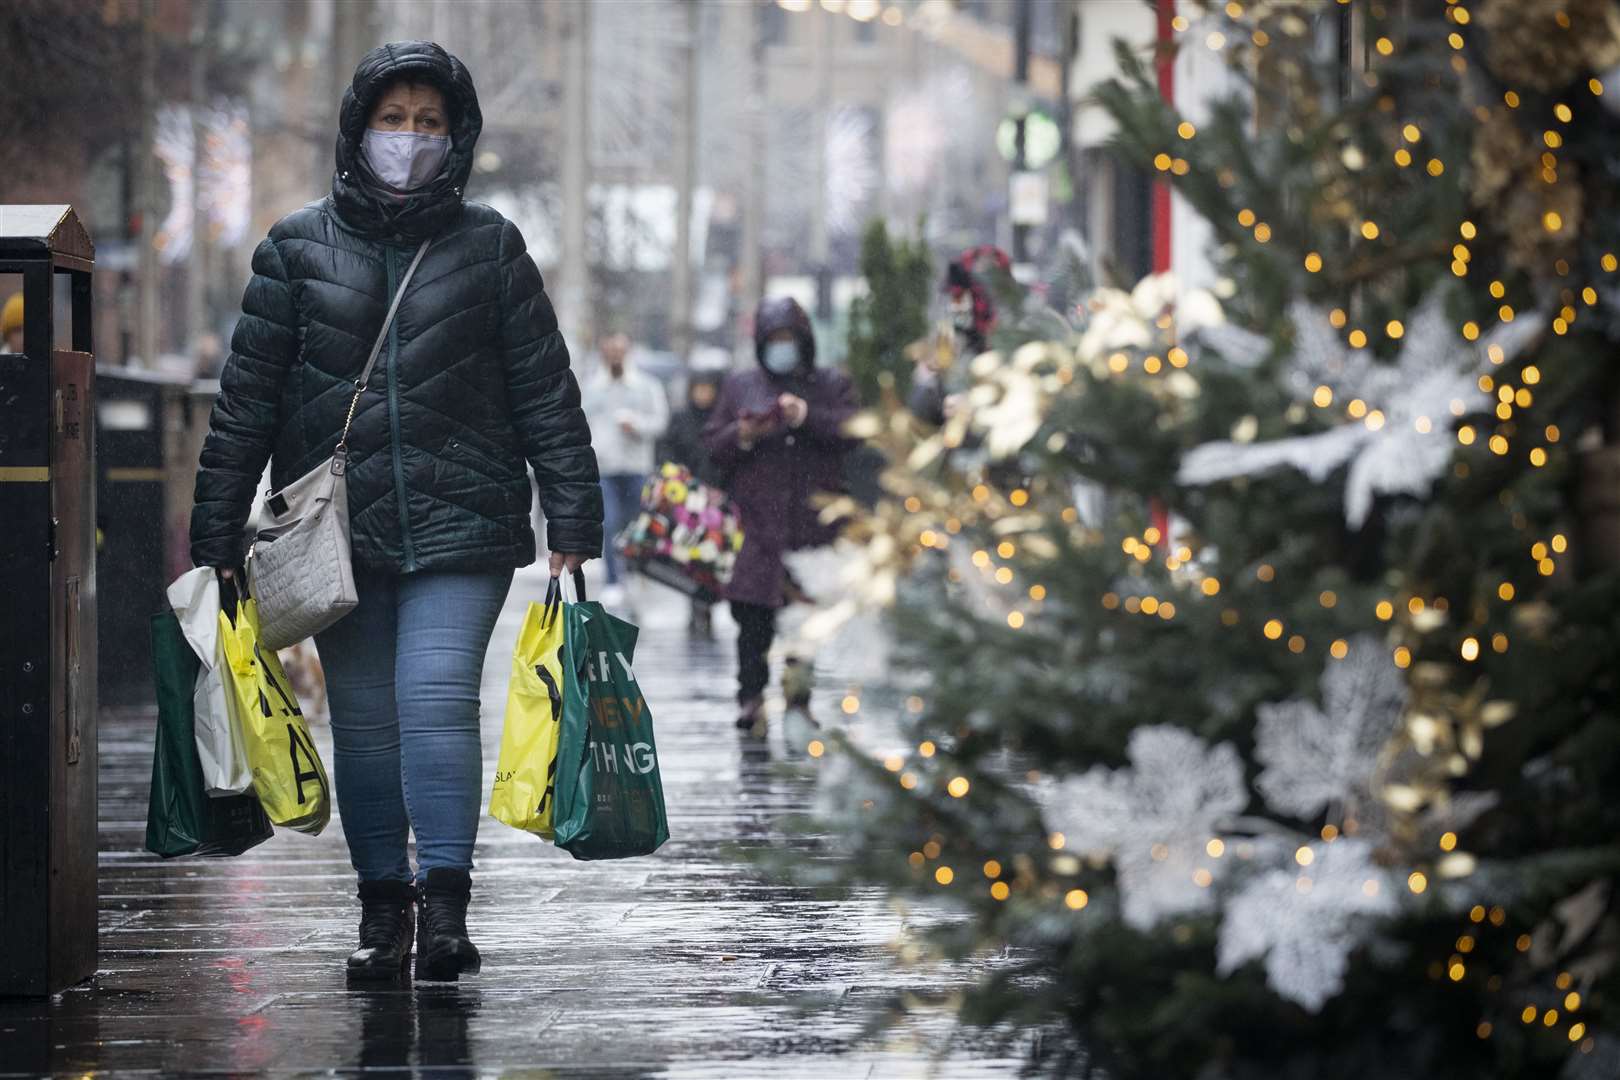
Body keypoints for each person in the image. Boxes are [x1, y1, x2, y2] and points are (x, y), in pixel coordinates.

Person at [188, 41, 602, 984]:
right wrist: (215, 533)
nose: (408, 140)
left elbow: (545, 392)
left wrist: (573, 521)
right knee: (366, 724)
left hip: (466, 523)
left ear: (456, 140)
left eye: (429, 124)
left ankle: (445, 906)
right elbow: (246, 400)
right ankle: (384, 911)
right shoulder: (295, 250)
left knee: (435, 699)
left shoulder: (491, 246)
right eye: (393, 120)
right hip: (339, 536)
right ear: (358, 129)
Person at [703, 297, 856, 733]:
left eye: (789, 339)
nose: (782, 347)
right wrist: (744, 433)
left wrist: (807, 417)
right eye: (774, 340)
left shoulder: (829, 384)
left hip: (809, 531)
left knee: (803, 624)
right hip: (755, 528)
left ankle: (798, 700)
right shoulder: (741, 385)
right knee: (752, 621)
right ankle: (751, 698)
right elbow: (714, 444)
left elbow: (852, 431)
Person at [581, 331, 669, 608]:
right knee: (609, 523)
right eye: (611, 350)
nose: (615, 355)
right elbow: (581, 422)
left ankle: (632, 571)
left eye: (620, 350)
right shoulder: (592, 387)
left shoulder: (646, 386)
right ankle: (613, 579)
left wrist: (637, 426)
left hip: (635, 467)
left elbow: (660, 421)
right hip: (604, 468)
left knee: (635, 526)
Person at [655, 366, 726, 637]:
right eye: (699, 389)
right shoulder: (682, 419)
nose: (703, 395)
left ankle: (706, 604)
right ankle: (695, 603)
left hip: (716, 503)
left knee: (711, 556)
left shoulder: (722, 419)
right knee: (689, 556)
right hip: (687, 502)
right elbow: (666, 450)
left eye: (708, 390)